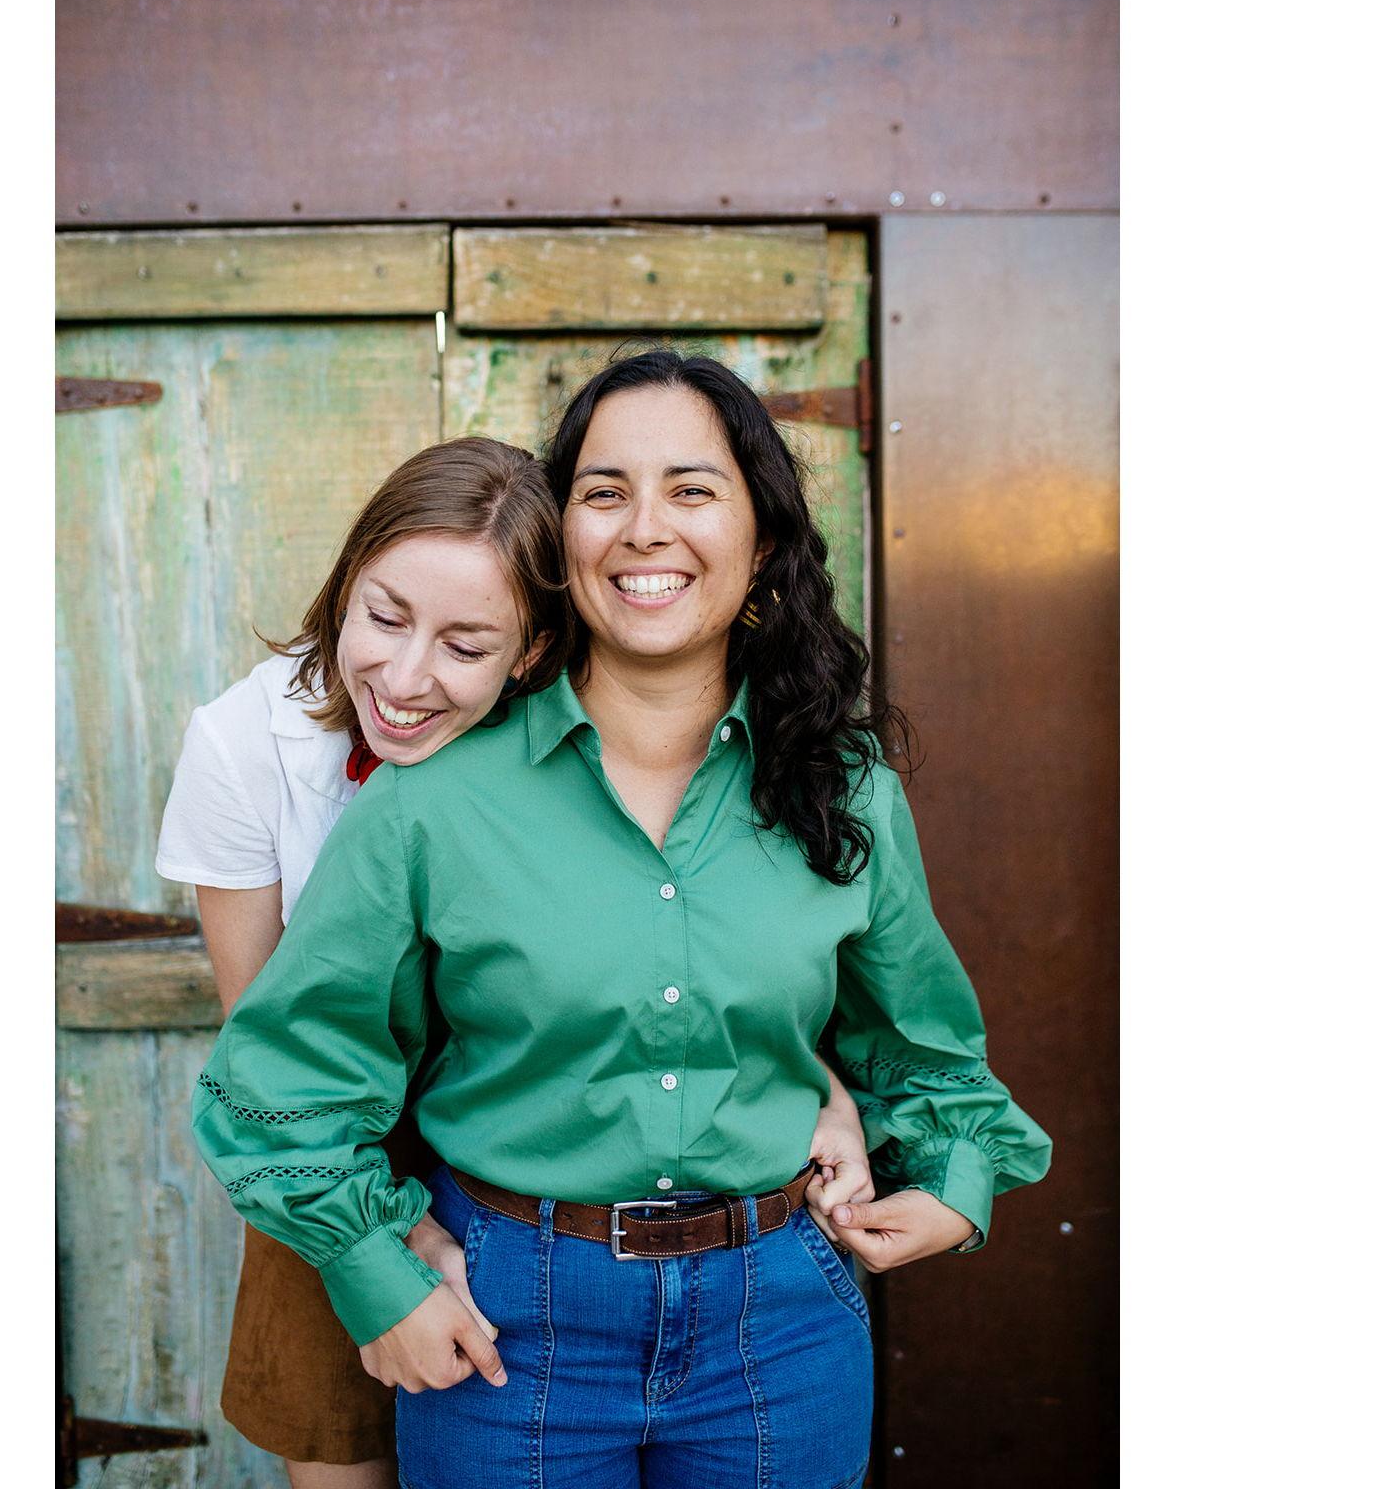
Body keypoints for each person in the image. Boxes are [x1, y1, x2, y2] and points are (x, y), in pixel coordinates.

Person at [191, 355, 1051, 1488]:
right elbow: (286, 1077)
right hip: (504, 1328)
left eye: (691, 490)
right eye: (604, 492)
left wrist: (951, 1180)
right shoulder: (431, 797)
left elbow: (916, 1044)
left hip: (782, 1331)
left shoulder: (845, 789)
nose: (645, 528)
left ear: (763, 545)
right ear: (565, 552)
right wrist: (373, 1270)